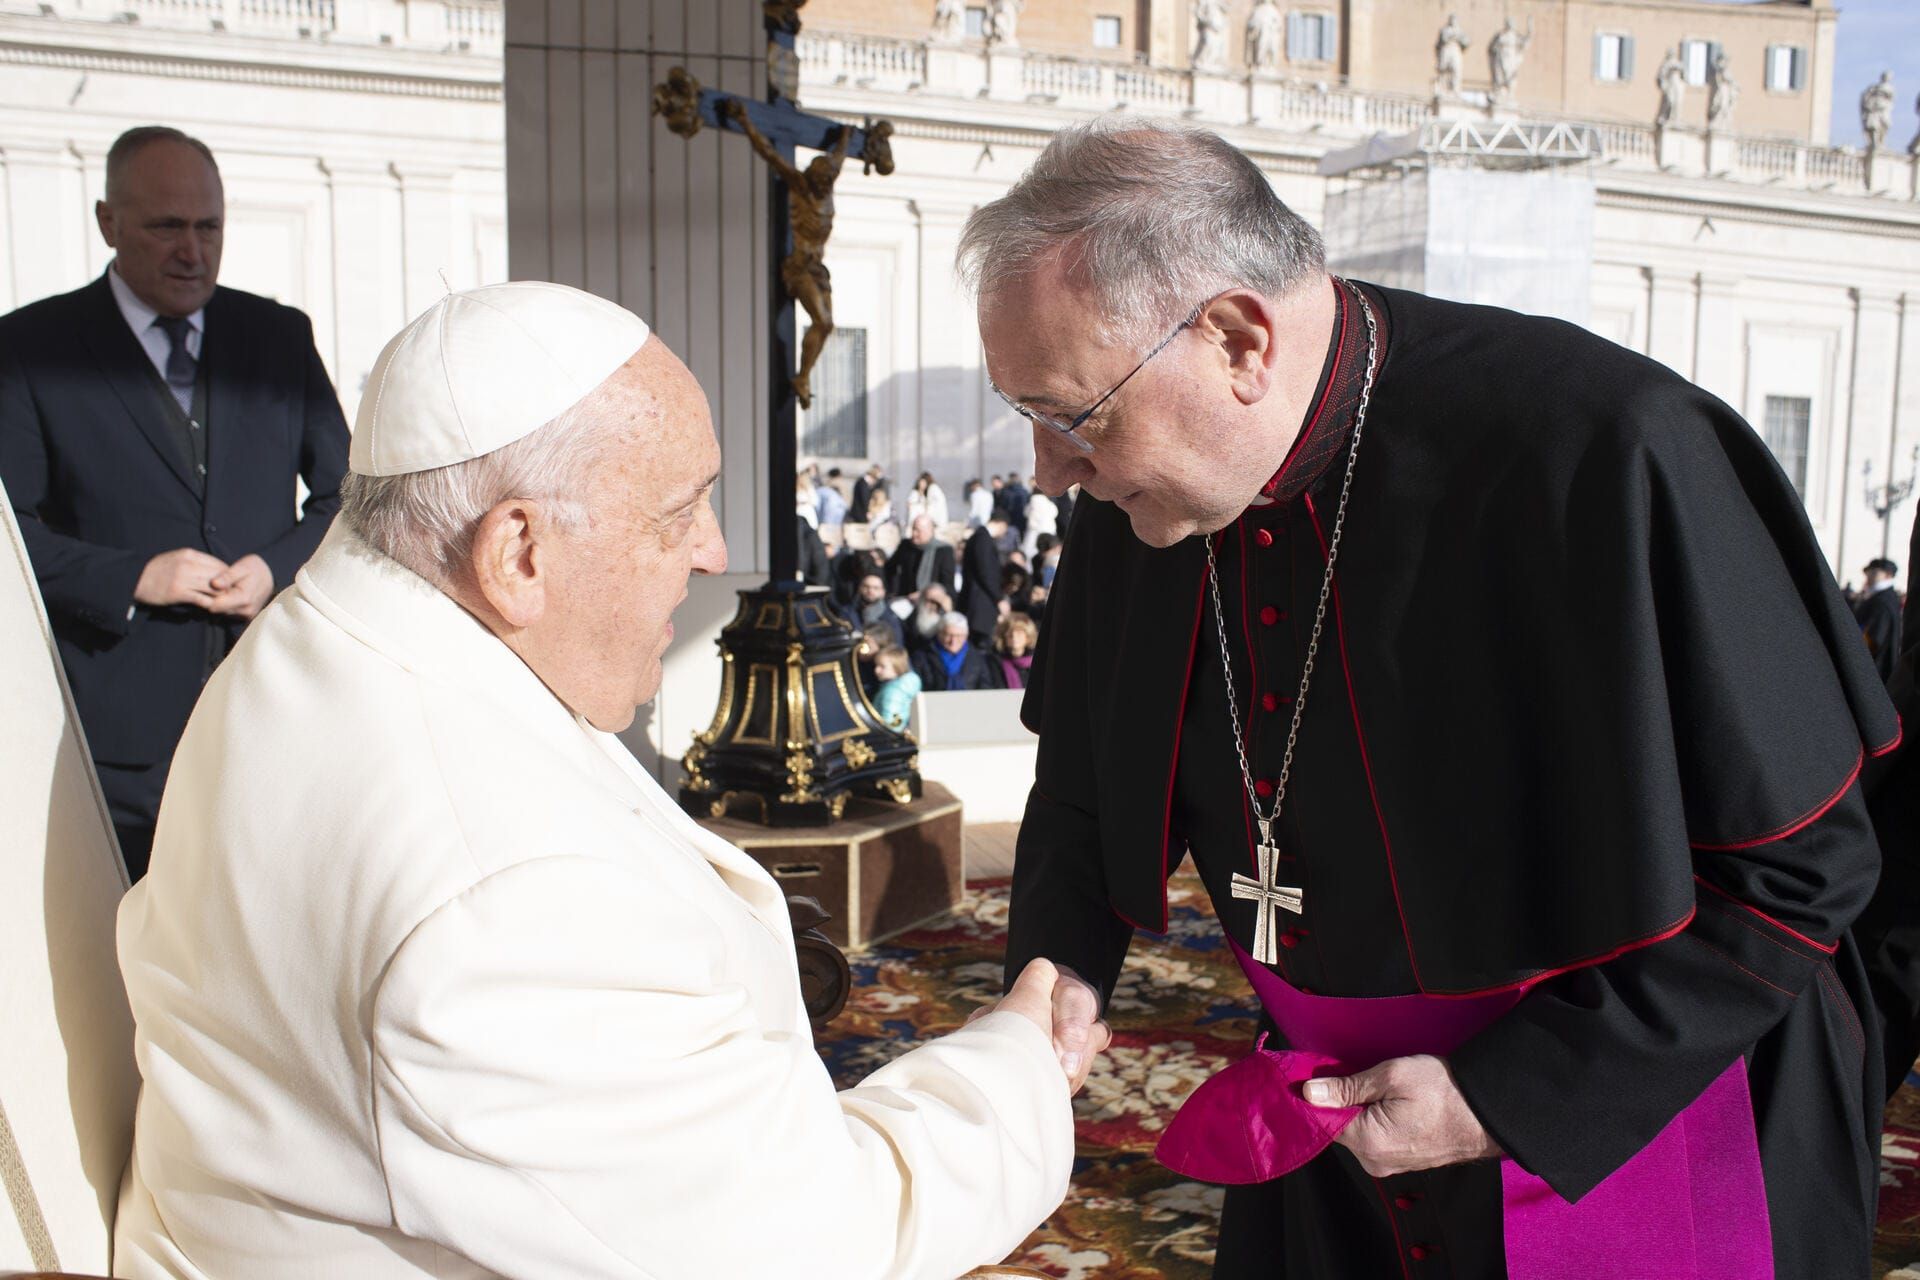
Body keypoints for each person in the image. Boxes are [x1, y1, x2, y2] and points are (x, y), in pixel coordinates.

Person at [963, 118, 1898, 1278]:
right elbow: (1084, 790)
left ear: (1237, 339)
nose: (1050, 472)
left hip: (1627, 1110)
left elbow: (1804, 869)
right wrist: (1058, 975)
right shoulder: (1144, 493)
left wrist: (1502, 1099)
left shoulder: (1605, 451)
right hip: (1335, 1145)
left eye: (1072, 416)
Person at [113, 282, 1099, 1279]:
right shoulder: (506, 900)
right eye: (680, 512)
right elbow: (804, 1246)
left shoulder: (313, 644)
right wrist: (1019, 1064)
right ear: (516, 552)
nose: (714, 551)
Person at [0, 124, 349, 881]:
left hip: (272, 714)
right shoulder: (29, 348)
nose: (193, 251)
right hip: (113, 741)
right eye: (166, 228)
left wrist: (275, 569)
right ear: (108, 222)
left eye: (209, 227)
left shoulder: (281, 337)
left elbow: (348, 497)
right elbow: (9, 535)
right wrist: (132, 577)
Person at [913, 610, 1003, 692]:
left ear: (966, 636)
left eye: (959, 636)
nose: (953, 641)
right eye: (949, 635)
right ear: (939, 633)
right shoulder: (922, 657)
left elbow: (985, 687)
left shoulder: (976, 658)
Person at [957, 513, 1009, 644]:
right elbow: (985, 572)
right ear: (1002, 525)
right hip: (980, 607)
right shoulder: (983, 539)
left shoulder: (979, 537)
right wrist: (999, 599)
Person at [885, 513, 957, 602]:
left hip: (930, 602)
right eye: (913, 529)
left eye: (918, 531)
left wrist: (925, 593)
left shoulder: (943, 551)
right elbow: (890, 568)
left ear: (930, 531)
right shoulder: (905, 546)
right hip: (905, 599)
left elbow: (947, 584)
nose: (914, 534)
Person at [1855, 556, 1903, 683]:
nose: (1869, 576)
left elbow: (1873, 639)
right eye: (1868, 572)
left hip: (1874, 667)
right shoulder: (1883, 597)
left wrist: (1853, 654)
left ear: (1888, 575)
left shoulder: (1882, 602)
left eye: (1874, 572)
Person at [836, 569, 905, 650]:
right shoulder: (847, 612)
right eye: (866, 586)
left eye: (876, 588)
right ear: (859, 588)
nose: (870, 591)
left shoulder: (891, 618)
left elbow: (897, 647)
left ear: (883, 592)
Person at [873, 644, 922, 729]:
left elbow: (892, 722)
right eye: (876, 665)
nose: (876, 670)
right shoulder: (904, 686)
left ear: (897, 667)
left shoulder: (893, 692)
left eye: (882, 666)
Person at [992, 612, 1039, 690]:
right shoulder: (995, 662)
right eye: (1010, 634)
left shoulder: (1038, 662)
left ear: (1028, 637)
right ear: (1004, 638)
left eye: (1019, 633)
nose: (1014, 638)